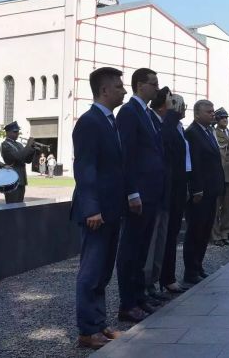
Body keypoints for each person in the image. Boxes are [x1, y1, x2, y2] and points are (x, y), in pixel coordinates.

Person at [71, 66, 127, 349]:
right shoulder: (90, 122)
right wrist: (91, 208)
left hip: (111, 209)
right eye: (119, 87)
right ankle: (86, 330)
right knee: (91, 272)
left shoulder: (109, 121)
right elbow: (85, 167)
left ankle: (98, 324)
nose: (124, 90)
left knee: (103, 271)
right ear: (104, 90)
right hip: (97, 211)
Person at [115, 68, 166, 323]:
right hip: (139, 194)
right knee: (131, 250)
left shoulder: (146, 113)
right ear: (139, 85)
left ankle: (138, 297)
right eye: (153, 83)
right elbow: (128, 155)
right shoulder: (129, 112)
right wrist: (132, 191)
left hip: (152, 192)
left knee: (142, 248)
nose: (157, 88)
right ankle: (127, 303)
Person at [183, 100, 225, 285]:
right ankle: (190, 270)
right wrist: (196, 188)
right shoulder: (192, 133)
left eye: (213, 111)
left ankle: (198, 266)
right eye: (208, 112)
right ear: (197, 114)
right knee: (195, 230)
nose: (212, 114)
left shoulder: (208, 132)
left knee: (205, 229)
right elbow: (194, 164)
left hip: (212, 189)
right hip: (200, 192)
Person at [156, 89, 191, 294]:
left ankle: (168, 275)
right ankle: (165, 277)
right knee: (167, 235)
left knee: (173, 232)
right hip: (171, 186)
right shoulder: (169, 126)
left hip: (179, 186)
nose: (183, 108)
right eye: (181, 105)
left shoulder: (179, 127)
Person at [211, 107, 229, 246]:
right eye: (222, 118)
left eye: (226, 117)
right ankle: (216, 236)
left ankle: (225, 234)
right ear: (217, 119)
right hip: (217, 175)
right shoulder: (213, 133)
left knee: (228, 208)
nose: (225, 120)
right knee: (216, 207)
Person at [0, 122, 35, 204]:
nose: (17, 134)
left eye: (17, 132)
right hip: (12, 180)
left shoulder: (19, 144)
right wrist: (28, 146)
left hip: (21, 179)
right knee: (12, 206)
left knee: (20, 206)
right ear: (8, 132)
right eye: (15, 132)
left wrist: (32, 149)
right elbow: (19, 157)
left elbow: (27, 160)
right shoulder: (5, 145)